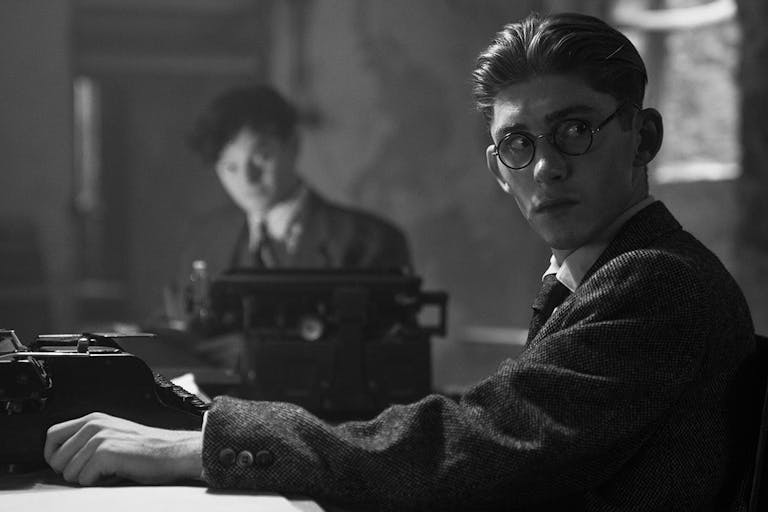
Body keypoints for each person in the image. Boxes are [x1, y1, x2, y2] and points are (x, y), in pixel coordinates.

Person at [44, 12, 756, 511]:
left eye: (574, 130)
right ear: (495, 166)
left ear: (643, 137)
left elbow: (482, 442)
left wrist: (199, 444)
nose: (545, 165)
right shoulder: (602, 273)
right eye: (518, 143)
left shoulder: (656, 280)